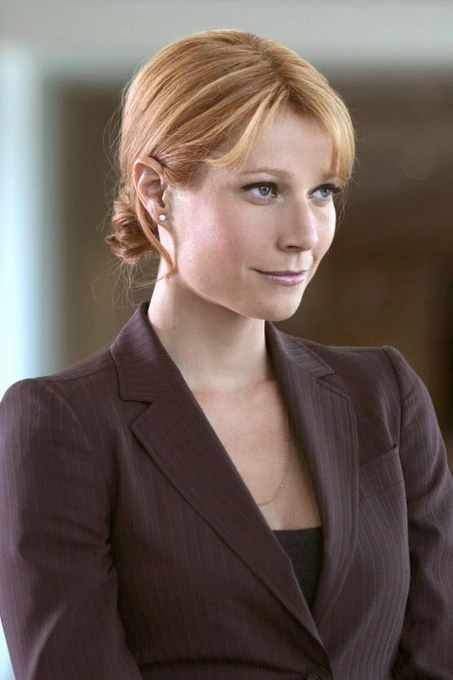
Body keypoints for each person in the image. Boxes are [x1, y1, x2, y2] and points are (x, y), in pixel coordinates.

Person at [0, 29, 452, 680]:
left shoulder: (384, 396)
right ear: (156, 192)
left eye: (322, 191)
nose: (304, 234)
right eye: (263, 189)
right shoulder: (63, 422)